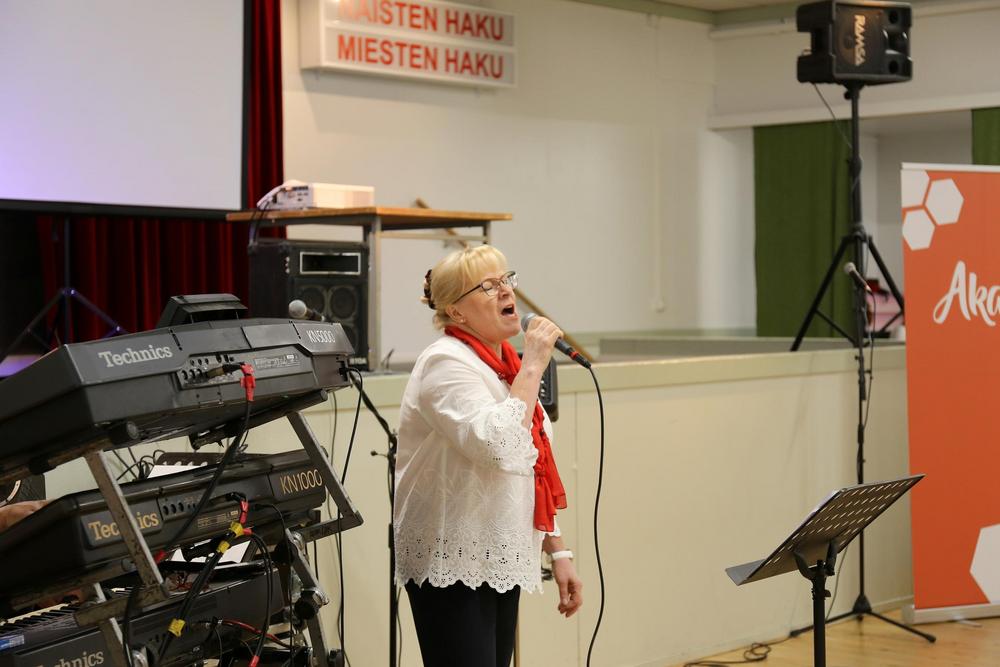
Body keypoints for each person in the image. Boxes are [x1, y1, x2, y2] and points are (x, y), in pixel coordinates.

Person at [393, 245, 583, 667]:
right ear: (456, 312)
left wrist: (558, 550)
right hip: (454, 555)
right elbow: (498, 445)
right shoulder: (446, 362)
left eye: (506, 279)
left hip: (498, 551)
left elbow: (531, 465)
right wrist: (534, 364)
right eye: (488, 286)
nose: (506, 291)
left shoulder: (505, 365)